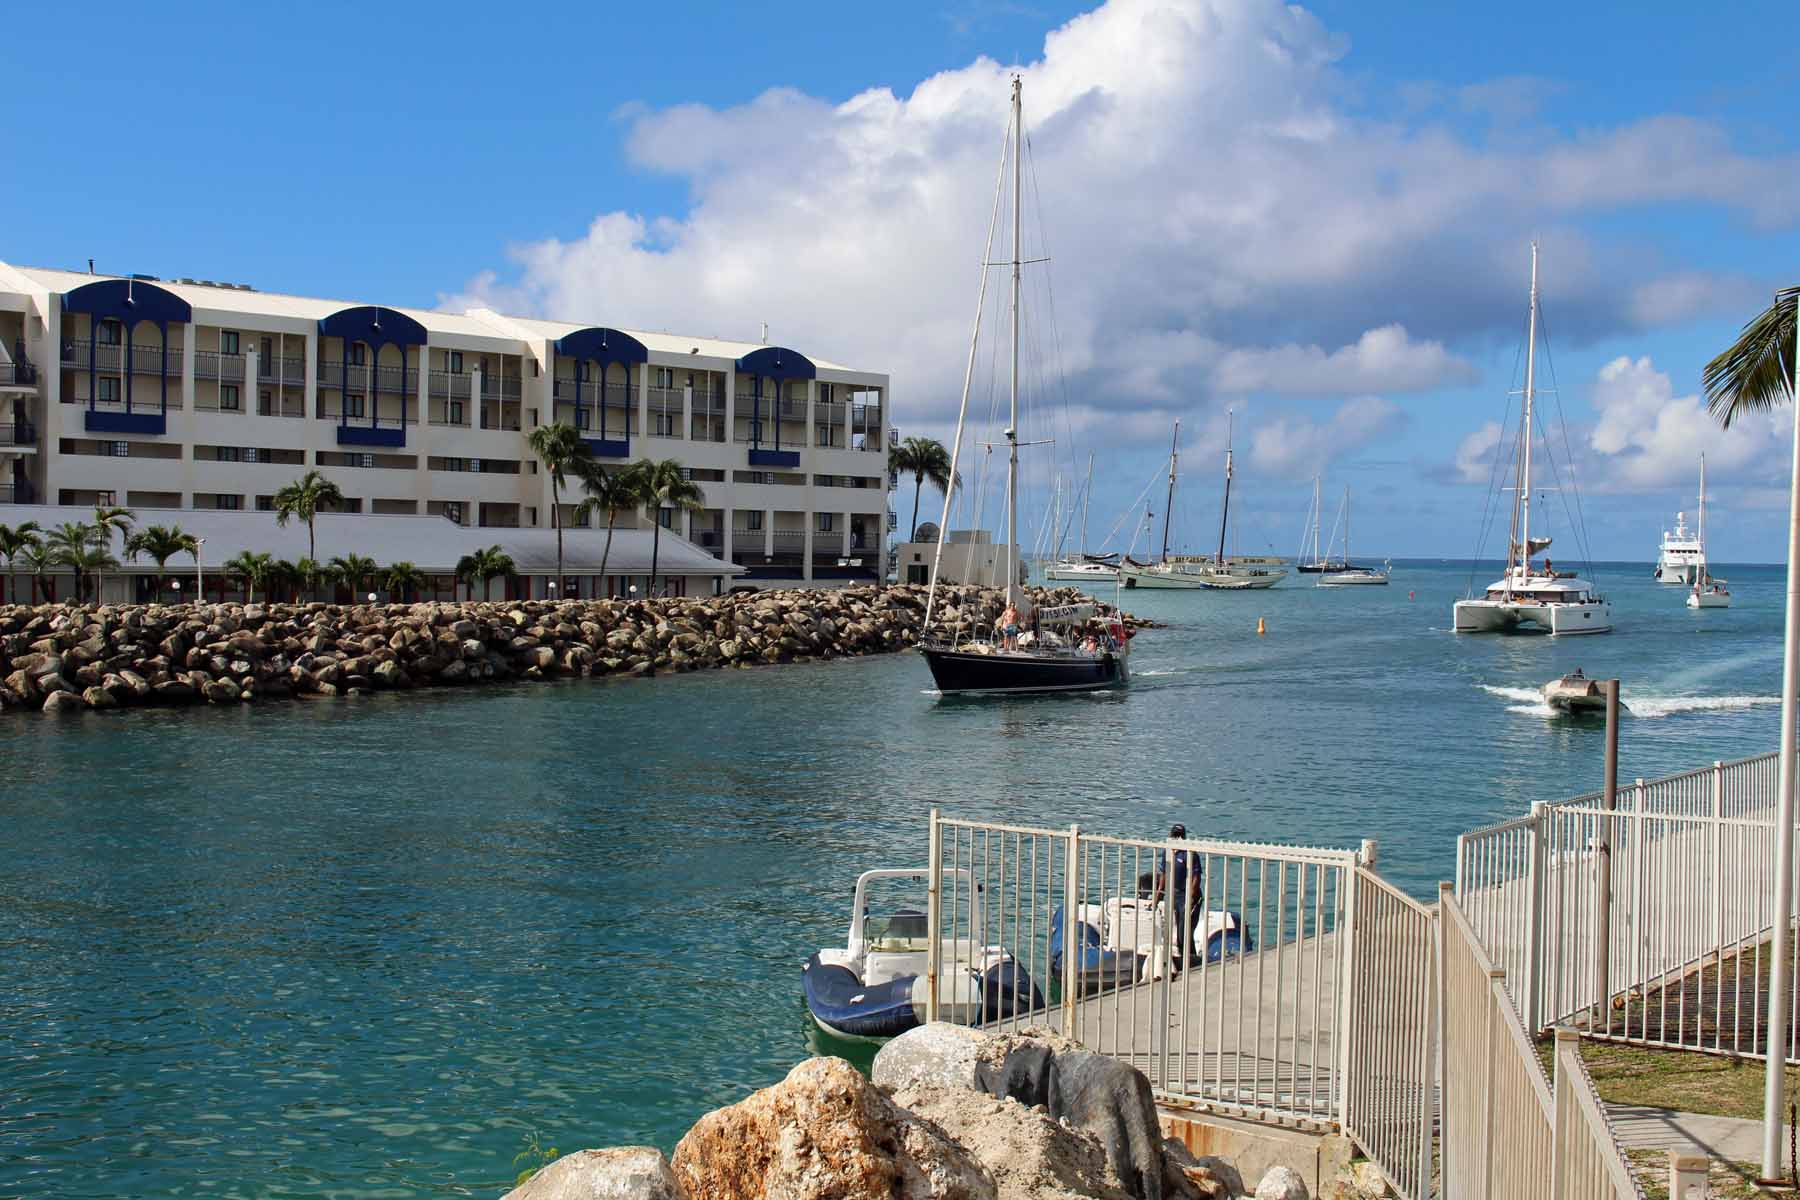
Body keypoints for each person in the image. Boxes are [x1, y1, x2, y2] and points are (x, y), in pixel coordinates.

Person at [1150, 823, 1203, 969]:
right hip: (1175, 895)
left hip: (1189, 897)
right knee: (1179, 931)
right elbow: (1164, 874)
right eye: (1174, 835)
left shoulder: (1190, 854)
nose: (1176, 838)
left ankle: (1191, 961)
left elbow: (1196, 878)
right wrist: (1158, 895)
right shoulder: (1167, 852)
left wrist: (1190, 898)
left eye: (1179, 836)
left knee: (1183, 931)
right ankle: (1187, 961)